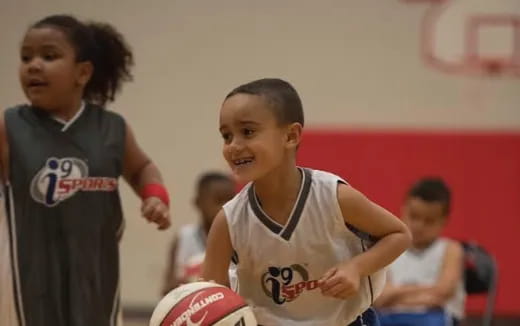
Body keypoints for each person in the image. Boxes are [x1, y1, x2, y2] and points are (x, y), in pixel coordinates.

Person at [0, 14, 171, 326]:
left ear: (83, 72)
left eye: (48, 56)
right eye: (26, 57)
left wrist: (155, 196)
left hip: (95, 274)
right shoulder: (10, 126)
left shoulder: (112, 129)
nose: (33, 65)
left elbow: (142, 168)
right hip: (30, 276)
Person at [201, 78, 412, 326]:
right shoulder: (228, 222)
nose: (234, 146)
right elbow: (210, 298)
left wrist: (356, 268)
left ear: (291, 136)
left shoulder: (333, 196)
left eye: (247, 132)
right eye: (226, 136)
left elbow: (399, 234)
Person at [375, 178, 465, 326]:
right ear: (403, 210)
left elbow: (441, 293)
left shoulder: (451, 250)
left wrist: (396, 294)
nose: (419, 226)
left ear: (444, 221)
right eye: (414, 216)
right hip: (389, 318)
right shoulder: (388, 247)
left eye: (429, 221)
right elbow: (379, 298)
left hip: (434, 319)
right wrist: (426, 291)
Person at [161, 171, 235, 295]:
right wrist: (185, 285)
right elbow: (167, 289)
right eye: (218, 200)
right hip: (191, 307)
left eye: (231, 201)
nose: (225, 207)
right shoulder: (183, 237)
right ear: (198, 202)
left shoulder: (239, 240)